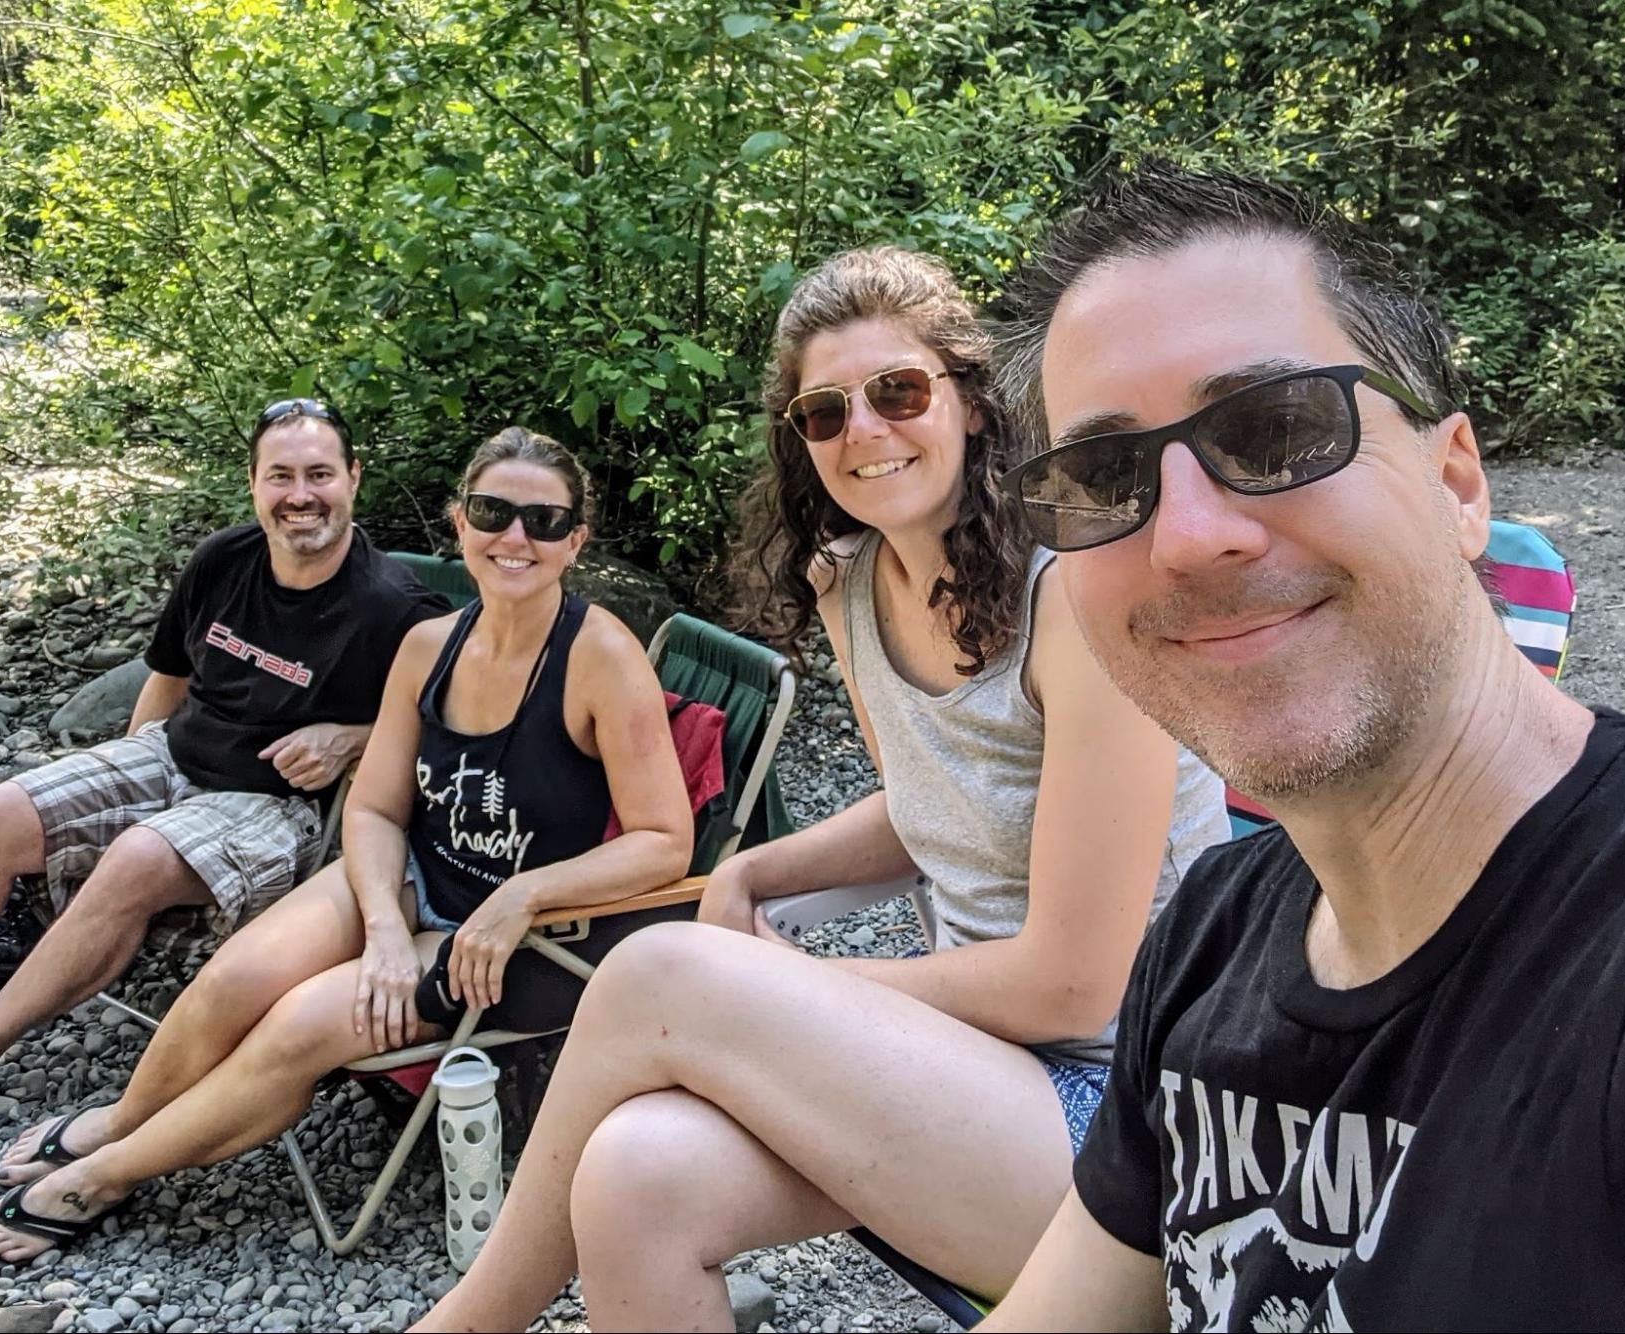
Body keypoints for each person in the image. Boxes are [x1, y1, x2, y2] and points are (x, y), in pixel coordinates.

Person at [418, 246, 1227, 1332]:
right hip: (986, 1077)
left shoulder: (1078, 596)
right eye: (824, 412)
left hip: (1149, 1120)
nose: (867, 431)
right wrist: (757, 867)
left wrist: (774, 991)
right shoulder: (850, 583)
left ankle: (466, 1320)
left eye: (897, 391)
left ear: (972, 403)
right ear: (800, 444)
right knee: (632, 1174)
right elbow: (928, 803)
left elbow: (1077, 988)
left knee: (662, 968)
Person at [977, 164, 1625, 1331]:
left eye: (1276, 428)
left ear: (1457, 482)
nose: (1189, 539)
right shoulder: (1212, 932)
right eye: (1103, 478)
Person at [0, 426, 696, 1271]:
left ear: (575, 542)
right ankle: (124, 1119)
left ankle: (103, 1176)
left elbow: (666, 843)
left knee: (297, 1023)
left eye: (543, 522)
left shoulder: (600, 659)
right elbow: (373, 809)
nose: (515, 538)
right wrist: (379, 929)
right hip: (413, 880)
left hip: (524, 936)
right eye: (492, 512)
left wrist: (515, 898)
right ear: (458, 522)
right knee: (236, 977)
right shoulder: (429, 645)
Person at [0, 400, 445, 1137]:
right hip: (171, 754)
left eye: (319, 475)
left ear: (353, 481)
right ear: (253, 484)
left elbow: (462, 728)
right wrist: (128, 763)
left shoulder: (395, 607)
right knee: (0, 811)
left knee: (136, 858)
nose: (300, 495)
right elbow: (167, 678)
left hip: (277, 804)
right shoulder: (225, 559)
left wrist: (354, 736)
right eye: (281, 476)